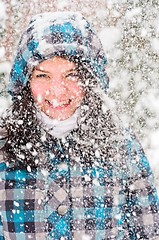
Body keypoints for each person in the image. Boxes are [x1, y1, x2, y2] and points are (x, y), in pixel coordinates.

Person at [0, 11, 159, 240]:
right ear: (25, 81)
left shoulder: (122, 148)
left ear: (90, 79)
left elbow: (149, 232)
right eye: (43, 76)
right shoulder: (4, 148)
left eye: (71, 75)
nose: (57, 91)